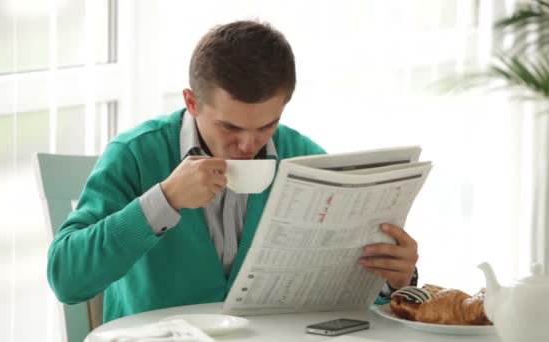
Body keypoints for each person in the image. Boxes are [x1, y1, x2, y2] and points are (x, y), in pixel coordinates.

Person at [47, 20, 419, 323]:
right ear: (192, 102)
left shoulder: (305, 159)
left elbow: (350, 297)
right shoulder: (135, 155)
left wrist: (396, 280)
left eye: (266, 126)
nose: (249, 145)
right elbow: (66, 278)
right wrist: (165, 200)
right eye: (231, 127)